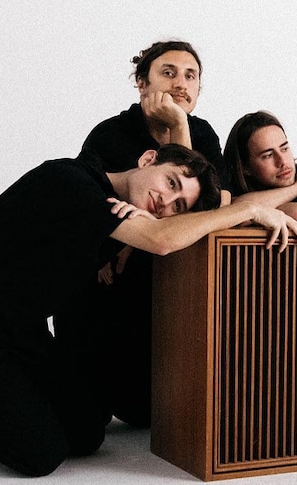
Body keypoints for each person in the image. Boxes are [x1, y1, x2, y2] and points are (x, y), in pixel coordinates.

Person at [0, 144, 297, 476]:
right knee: (42, 455)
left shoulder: (115, 214)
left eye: (179, 206)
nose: (165, 201)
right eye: (170, 182)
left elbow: (160, 233)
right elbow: (161, 240)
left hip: (17, 331)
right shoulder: (70, 180)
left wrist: (144, 227)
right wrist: (251, 210)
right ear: (148, 158)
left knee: (86, 431)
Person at [53, 40, 226, 429]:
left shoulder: (203, 134)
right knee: (81, 428)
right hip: (99, 292)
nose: (181, 83)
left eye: (191, 75)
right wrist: (134, 237)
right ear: (141, 84)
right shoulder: (110, 135)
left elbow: (210, 208)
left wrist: (180, 126)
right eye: (168, 73)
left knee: (145, 415)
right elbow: (88, 210)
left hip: (162, 292)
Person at [222, 111, 297, 229]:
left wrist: (252, 213)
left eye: (284, 149)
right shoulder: (228, 184)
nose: (282, 162)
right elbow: (230, 212)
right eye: (268, 155)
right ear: (244, 168)